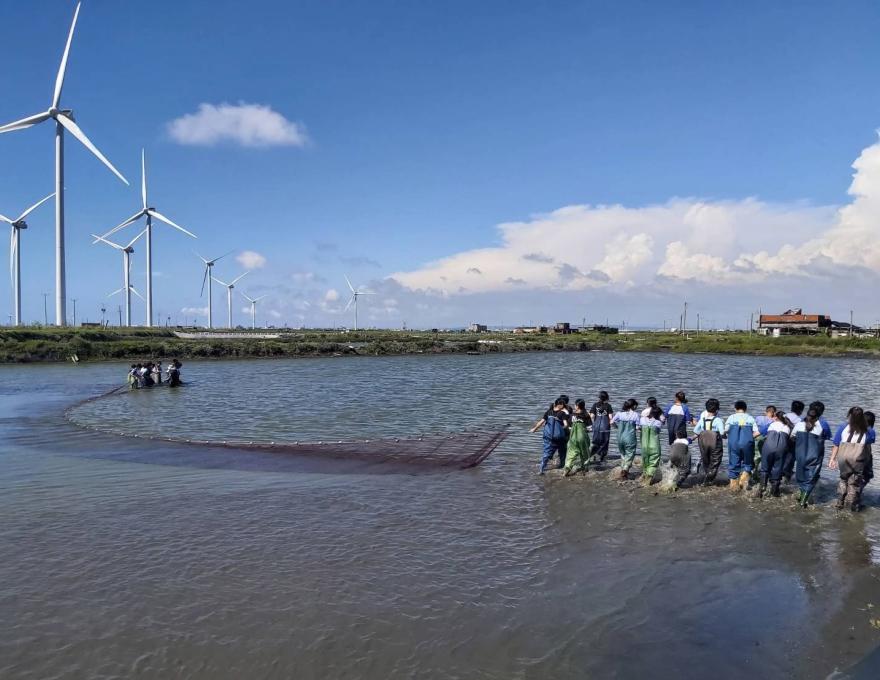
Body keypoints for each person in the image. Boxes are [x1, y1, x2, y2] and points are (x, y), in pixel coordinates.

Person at [829, 407, 870, 512]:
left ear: (850, 416)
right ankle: (850, 506)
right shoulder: (867, 431)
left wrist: (832, 459)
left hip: (844, 458)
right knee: (854, 483)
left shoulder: (843, 427)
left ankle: (840, 501)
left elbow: (836, 444)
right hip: (858, 459)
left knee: (843, 479)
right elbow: (868, 448)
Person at [792, 407, 826, 508]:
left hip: (800, 455)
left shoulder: (799, 425)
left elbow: (792, 437)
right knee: (810, 479)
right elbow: (824, 439)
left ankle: (802, 497)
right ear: (817, 418)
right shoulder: (819, 427)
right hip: (813, 456)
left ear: (806, 415)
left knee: (801, 477)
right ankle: (803, 501)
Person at [724, 401, 760, 491]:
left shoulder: (731, 417)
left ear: (735, 408)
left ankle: (734, 485)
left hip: (734, 442)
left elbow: (726, 430)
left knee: (734, 462)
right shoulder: (750, 418)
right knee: (748, 462)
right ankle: (743, 479)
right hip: (747, 443)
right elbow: (756, 432)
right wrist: (749, 438)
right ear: (745, 409)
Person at [531, 397, 571, 474]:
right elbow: (566, 425)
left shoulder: (548, 412)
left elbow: (541, 422)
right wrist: (560, 429)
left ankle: (541, 469)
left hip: (549, 437)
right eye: (563, 404)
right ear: (560, 405)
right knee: (562, 451)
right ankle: (562, 466)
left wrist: (534, 429)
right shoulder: (563, 413)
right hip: (560, 437)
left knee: (547, 452)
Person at [758, 410, 792, 498]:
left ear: (776, 417)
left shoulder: (770, 424)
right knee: (777, 469)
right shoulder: (788, 427)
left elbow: (757, 434)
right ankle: (774, 491)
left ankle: (762, 489)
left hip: (768, 448)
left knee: (765, 469)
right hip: (781, 449)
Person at [693, 398, 725, 485]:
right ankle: (708, 480)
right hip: (715, 442)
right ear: (717, 410)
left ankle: (707, 477)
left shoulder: (702, 420)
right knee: (715, 461)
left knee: (706, 460)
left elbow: (696, 430)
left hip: (703, 442)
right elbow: (722, 432)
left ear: (706, 409)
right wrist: (725, 435)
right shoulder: (718, 420)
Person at [611, 399, 640, 480]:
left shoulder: (619, 414)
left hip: (620, 437)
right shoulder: (635, 415)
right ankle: (625, 469)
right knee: (630, 453)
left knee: (623, 454)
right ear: (634, 406)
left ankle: (623, 470)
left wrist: (617, 427)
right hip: (630, 437)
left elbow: (611, 422)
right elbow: (638, 427)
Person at [563, 400, 592, 476]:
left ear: (577, 406)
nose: (574, 406)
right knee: (585, 453)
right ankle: (584, 469)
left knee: (571, 454)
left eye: (575, 405)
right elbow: (590, 428)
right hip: (583, 437)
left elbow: (569, 428)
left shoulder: (572, 415)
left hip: (573, 438)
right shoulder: (586, 415)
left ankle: (567, 469)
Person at [639, 406, 664, 487]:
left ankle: (644, 476)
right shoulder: (658, 423)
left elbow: (639, 427)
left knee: (645, 461)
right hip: (654, 445)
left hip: (644, 445)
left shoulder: (642, 420)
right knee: (653, 462)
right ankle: (648, 479)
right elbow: (659, 429)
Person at [781, 400, 805, 483]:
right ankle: (786, 480)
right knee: (789, 462)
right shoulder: (800, 420)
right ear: (801, 410)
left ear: (791, 408)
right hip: (791, 443)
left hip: (779, 441)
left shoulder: (784, 415)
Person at [589, 392, 614, 462]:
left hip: (596, 426)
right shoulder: (608, 406)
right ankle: (601, 457)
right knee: (605, 442)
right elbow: (610, 417)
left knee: (595, 441)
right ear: (607, 398)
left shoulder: (595, 405)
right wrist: (615, 425)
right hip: (605, 426)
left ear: (599, 397)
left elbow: (592, 416)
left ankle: (592, 455)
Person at [666, 424, 692, 491]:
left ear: (676, 436)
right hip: (681, 457)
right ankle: (679, 483)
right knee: (686, 471)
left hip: (672, 456)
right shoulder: (686, 441)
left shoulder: (675, 441)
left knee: (672, 469)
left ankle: (669, 481)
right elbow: (691, 439)